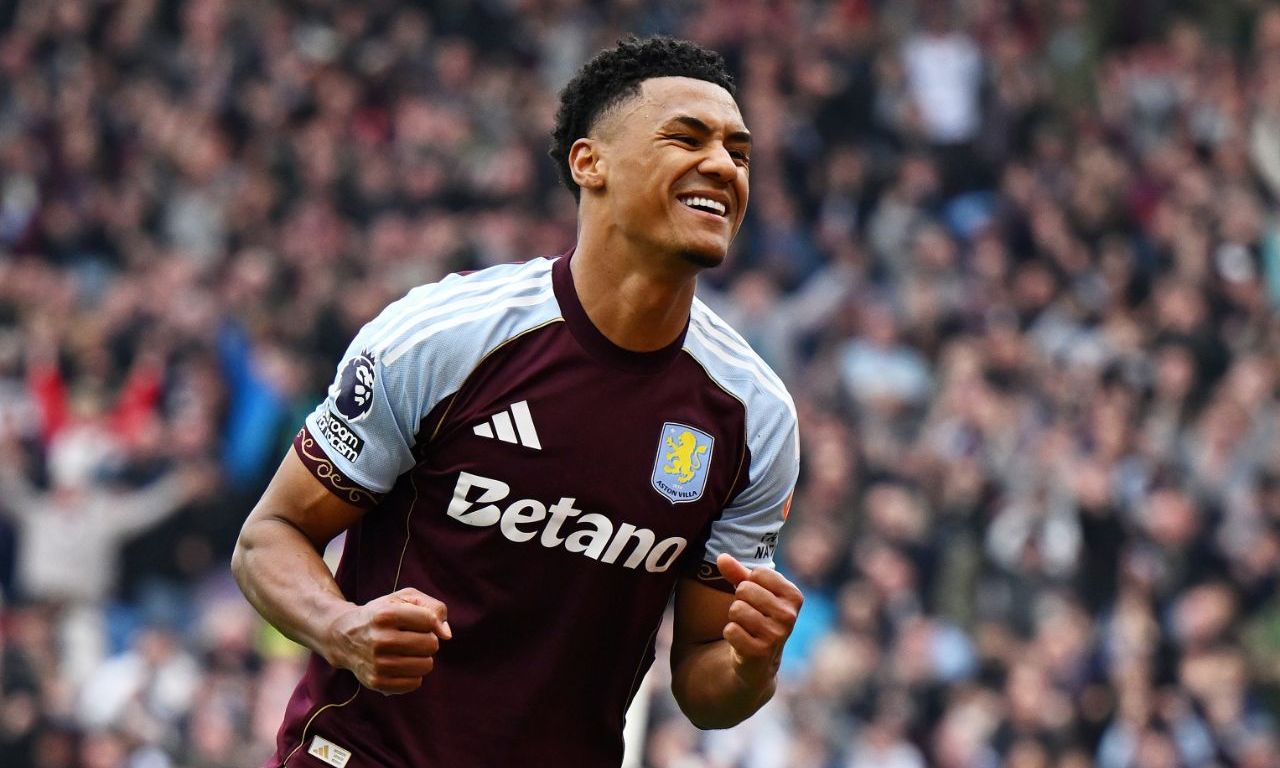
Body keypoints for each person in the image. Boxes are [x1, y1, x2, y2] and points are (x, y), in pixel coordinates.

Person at [232, 35, 803, 768]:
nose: (723, 165)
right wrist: (341, 628)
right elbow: (268, 536)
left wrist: (754, 663)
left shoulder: (755, 417)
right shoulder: (445, 338)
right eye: (686, 139)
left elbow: (703, 686)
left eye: (739, 151)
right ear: (589, 162)